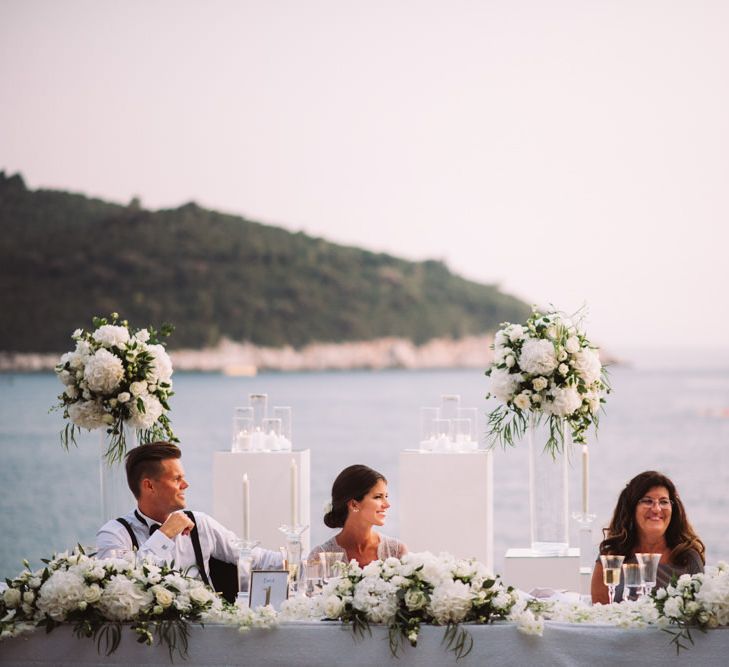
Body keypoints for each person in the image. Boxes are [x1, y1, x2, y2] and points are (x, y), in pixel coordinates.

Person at [96, 441, 281, 597]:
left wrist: (305, 562)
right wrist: (165, 534)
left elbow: (256, 558)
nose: (185, 485)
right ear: (149, 486)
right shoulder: (114, 534)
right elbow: (118, 585)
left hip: (207, 632)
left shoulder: (200, 524)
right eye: (177, 479)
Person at [591, 470, 705, 604]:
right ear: (631, 508)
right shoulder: (612, 555)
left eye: (663, 502)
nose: (657, 509)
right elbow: (600, 611)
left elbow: (700, 612)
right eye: (647, 501)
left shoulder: (688, 557)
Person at [308, 464, 407, 566]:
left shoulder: (396, 551)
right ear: (354, 504)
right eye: (378, 497)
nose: (387, 505)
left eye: (386, 496)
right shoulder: (319, 557)